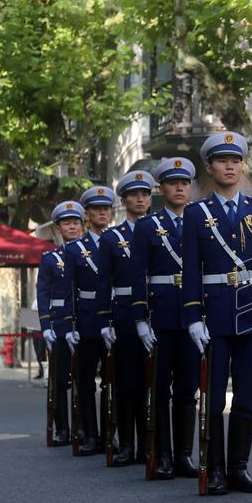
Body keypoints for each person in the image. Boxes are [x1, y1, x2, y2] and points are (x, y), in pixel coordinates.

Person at [181, 131, 252, 495]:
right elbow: (191, 269)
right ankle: (215, 468)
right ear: (210, 167)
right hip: (216, 314)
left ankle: (239, 467)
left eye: (235, 160)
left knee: (249, 398)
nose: (230, 166)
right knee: (215, 397)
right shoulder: (195, 213)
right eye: (223, 161)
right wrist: (192, 316)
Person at [131, 157, 199, 480]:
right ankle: (163, 455)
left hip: (191, 315)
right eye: (174, 183)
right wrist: (140, 318)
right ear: (162, 188)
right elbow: (137, 274)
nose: (180, 188)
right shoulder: (147, 226)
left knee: (188, 387)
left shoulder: (201, 221)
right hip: (159, 314)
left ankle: (185, 455)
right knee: (160, 389)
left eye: (185, 183)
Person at [97, 170, 156, 466]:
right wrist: (104, 320)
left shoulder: (162, 230)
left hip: (157, 311)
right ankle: (127, 444)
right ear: (123, 201)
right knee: (126, 383)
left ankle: (152, 443)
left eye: (145, 194)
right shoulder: (112, 238)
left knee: (155, 383)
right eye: (134, 195)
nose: (141, 199)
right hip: (123, 315)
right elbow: (103, 282)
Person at [63, 186, 115, 456]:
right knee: (85, 382)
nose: (102, 213)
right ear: (87, 214)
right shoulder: (74, 249)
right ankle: (90, 434)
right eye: (97, 209)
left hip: (115, 319)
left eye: (106, 208)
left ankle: (110, 432)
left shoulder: (120, 241)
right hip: (86, 320)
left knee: (113, 380)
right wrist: (70, 325)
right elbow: (68, 290)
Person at [36, 200, 85, 446]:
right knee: (59, 381)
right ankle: (63, 428)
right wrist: (46, 327)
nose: (72, 227)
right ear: (58, 228)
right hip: (59, 326)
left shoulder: (92, 255)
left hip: (84, 323)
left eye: (76, 222)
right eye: (67, 223)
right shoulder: (50, 258)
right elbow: (42, 294)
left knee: (83, 379)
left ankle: (85, 429)